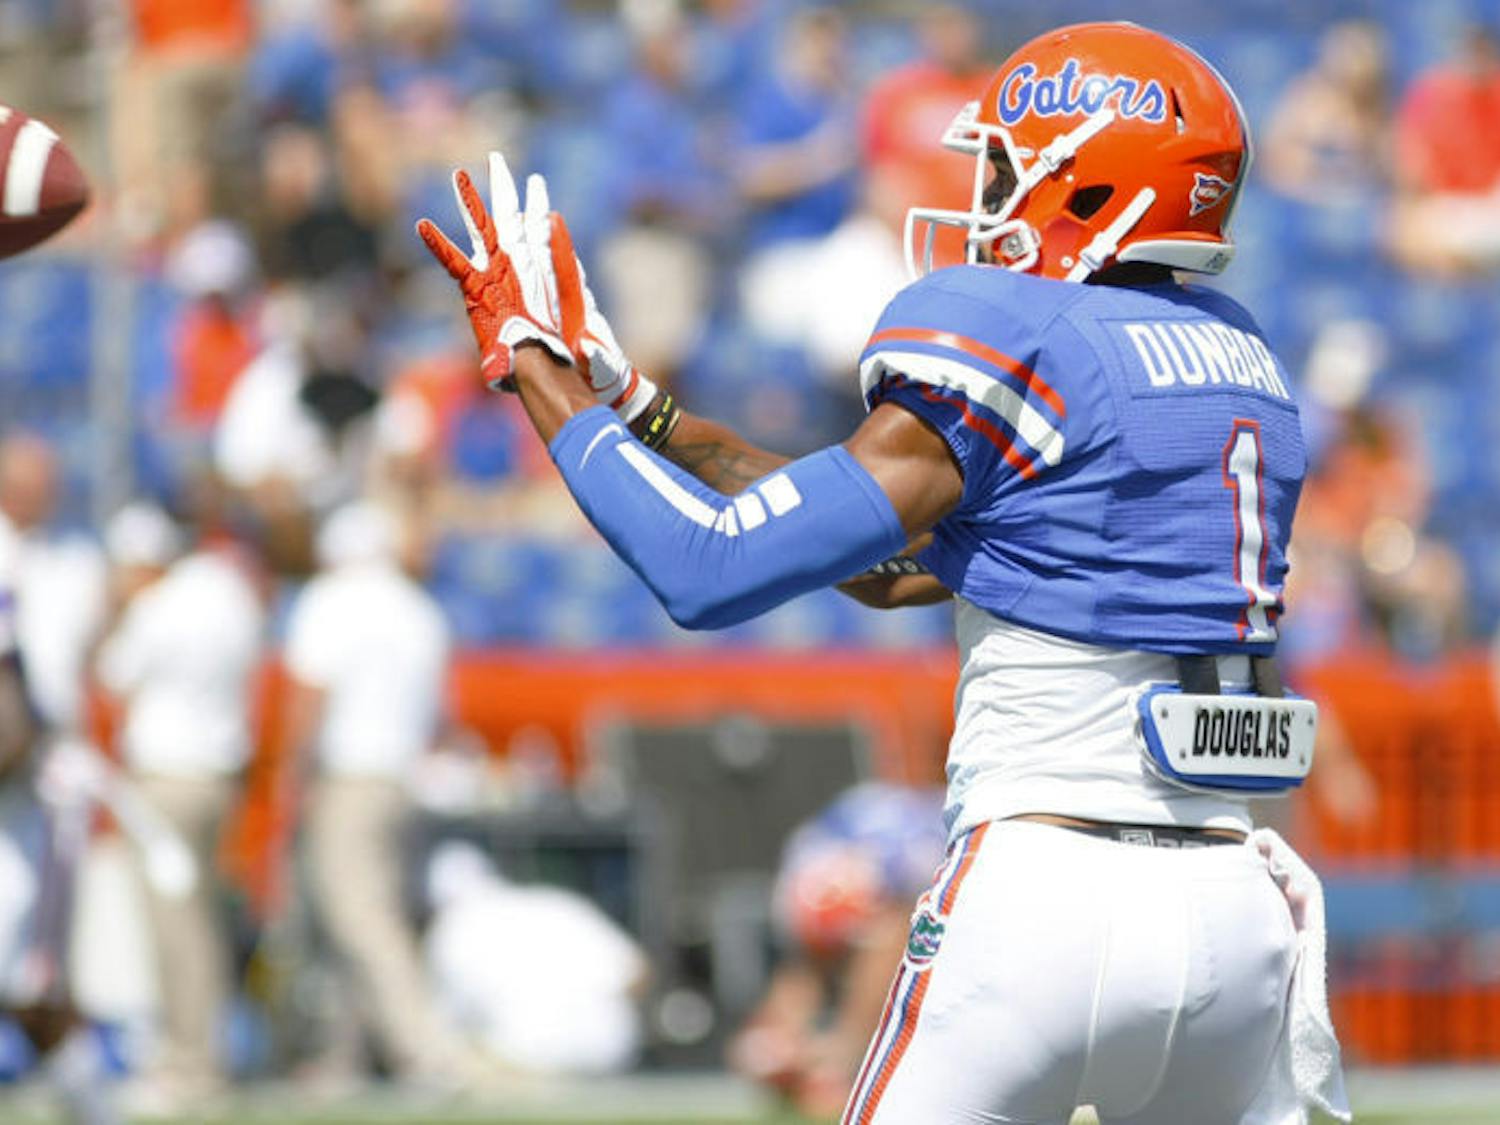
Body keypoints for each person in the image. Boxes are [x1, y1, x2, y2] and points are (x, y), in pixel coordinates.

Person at [421, 20, 1352, 1124]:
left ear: (1092, 191)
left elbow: (708, 570)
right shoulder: (1234, 359)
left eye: (1008, 166)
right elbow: (888, 558)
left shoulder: (1020, 334)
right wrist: (641, 410)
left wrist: (534, 369)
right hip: (1241, 916)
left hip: (1046, 896)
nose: (987, 192)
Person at [280, 500, 471, 1087]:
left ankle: (427, 1050)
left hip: (350, 780)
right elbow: (443, 719)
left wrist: (292, 777)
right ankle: (348, 1059)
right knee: (365, 919)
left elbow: (309, 700)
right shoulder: (419, 611)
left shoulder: (330, 601)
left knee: (361, 920)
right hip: (402, 780)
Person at [93, 501, 265, 1108]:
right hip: (220, 778)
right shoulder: (231, 593)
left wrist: (115, 611)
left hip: (166, 779)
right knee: (204, 922)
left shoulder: (157, 606)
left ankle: (190, 1064)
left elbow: (113, 677)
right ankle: (204, 1054)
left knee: (176, 929)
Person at [731, 784, 945, 1118]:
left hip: (896, 870)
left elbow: (891, 935)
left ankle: (842, 1054)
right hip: (861, 870)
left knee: (887, 938)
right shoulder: (813, 873)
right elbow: (807, 961)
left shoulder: (901, 866)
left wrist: (844, 1047)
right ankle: (822, 1051)